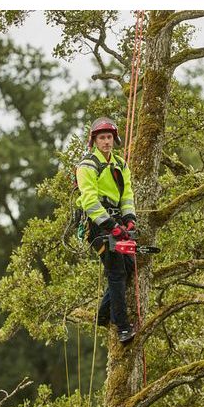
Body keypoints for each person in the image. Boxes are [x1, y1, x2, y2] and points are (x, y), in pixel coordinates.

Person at [76, 117, 137, 343]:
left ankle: (102, 314)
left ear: (114, 139)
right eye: (102, 138)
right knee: (116, 272)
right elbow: (90, 201)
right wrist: (111, 227)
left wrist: (129, 219)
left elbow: (127, 194)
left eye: (109, 137)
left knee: (130, 267)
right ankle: (121, 327)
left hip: (117, 221)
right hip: (97, 224)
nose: (106, 142)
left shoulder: (121, 164)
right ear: (94, 141)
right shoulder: (87, 165)